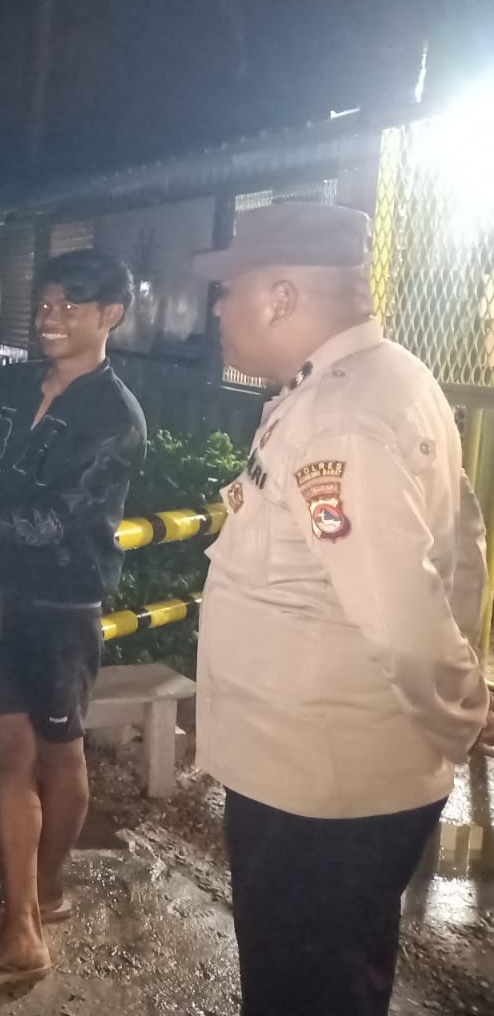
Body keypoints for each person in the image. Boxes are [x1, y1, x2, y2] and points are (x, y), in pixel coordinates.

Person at [193, 202, 494, 1016]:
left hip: (321, 787)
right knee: (335, 976)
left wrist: (462, 713)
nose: (217, 309)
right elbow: (461, 549)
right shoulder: (381, 378)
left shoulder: (341, 418)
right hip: (330, 773)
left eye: (229, 289)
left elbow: (404, 615)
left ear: (282, 298)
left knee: (303, 990)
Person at [0, 249, 146, 993]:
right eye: (46, 304)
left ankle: (43, 894)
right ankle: (23, 916)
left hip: (64, 604)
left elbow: (53, 522)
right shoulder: (7, 385)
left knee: (60, 754)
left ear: (110, 315)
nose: (50, 317)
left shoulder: (115, 417)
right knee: (8, 754)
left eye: (70, 306)